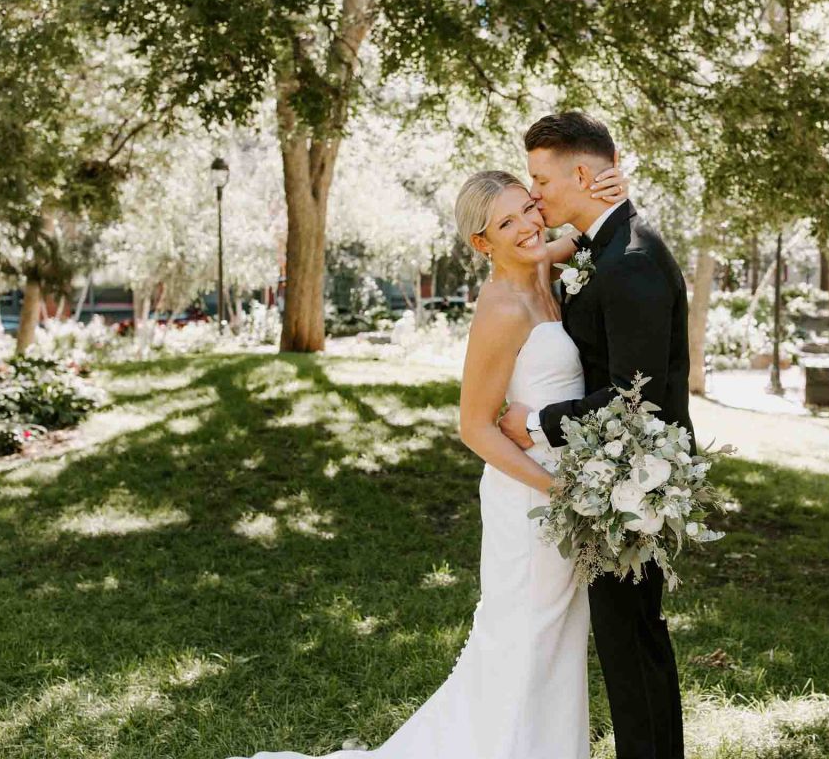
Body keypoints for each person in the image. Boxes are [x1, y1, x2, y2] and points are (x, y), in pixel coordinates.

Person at [226, 161, 630, 759]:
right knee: (518, 644)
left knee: (555, 642)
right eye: (506, 222)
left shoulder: (545, 264)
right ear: (480, 242)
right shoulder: (501, 306)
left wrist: (611, 192)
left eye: (528, 208)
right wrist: (556, 490)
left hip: (561, 492)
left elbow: (591, 230)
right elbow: (473, 427)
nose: (526, 225)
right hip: (529, 501)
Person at [499, 111, 693, 759]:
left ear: (582, 173)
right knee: (635, 642)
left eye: (540, 180)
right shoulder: (604, 245)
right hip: (615, 475)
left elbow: (637, 397)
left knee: (628, 645)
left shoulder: (630, 259)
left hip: (633, 480)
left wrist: (532, 424)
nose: (533, 197)